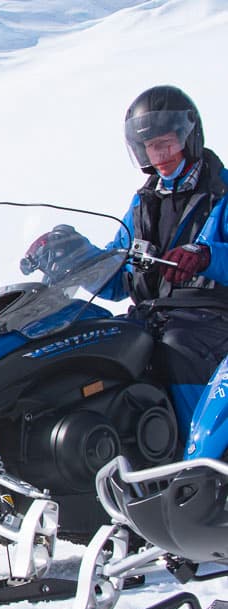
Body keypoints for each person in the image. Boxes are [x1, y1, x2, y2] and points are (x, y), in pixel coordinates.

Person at [97, 85, 228, 429]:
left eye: (167, 142)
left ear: (190, 137)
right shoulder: (143, 204)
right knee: (101, 346)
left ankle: (201, 459)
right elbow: (116, 278)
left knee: (176, 348)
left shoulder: (222, 193)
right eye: (152, 147)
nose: (161, 154)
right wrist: (70, 258)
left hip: (211, 319)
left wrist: (205, 256)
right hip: (153, 316)